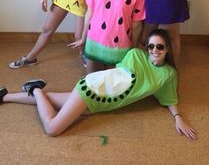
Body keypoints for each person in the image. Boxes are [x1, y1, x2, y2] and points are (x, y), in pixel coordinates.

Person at [1, 29, 197, 140]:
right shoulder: (136, 55)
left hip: (99, 102)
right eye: (150, 46)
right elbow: (119, 75)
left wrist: (178, 117)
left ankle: (5, 96)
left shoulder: (168, 75)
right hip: (94, 88)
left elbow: (170, 97)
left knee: (52, 100)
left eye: (160, 47)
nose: (154, 50)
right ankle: (35, 89)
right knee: (53, 128)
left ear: (167, 50)